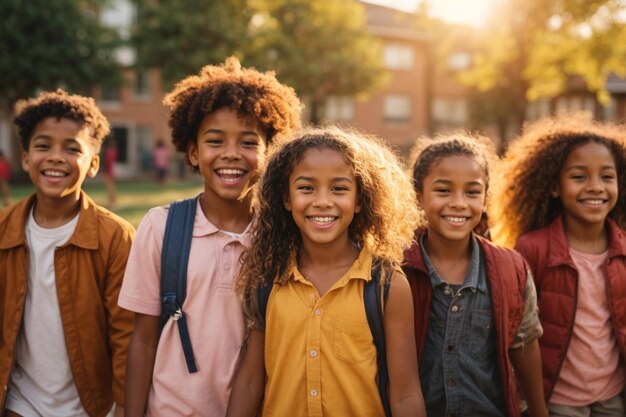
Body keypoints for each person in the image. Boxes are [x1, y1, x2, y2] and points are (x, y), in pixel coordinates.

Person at [118, 57, 302, 417]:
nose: (231, 153)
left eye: (248, 142)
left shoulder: (287, 236)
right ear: (192, 152)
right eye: (215, 140)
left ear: (269, 153)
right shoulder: (160, 227)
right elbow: (141, 339)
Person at [227, 126, 427, 417]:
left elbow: (405, 393)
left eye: (339, 188)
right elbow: (249, 382)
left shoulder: (387, 285)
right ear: (286, 198)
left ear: (360, 200)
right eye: (307, 188)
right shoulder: (267, 281)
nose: (322, 201)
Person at [0, 89, 135, 417]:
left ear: (93, 164)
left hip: (90, 407)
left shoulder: (115, 237)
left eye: (72, 148)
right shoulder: (3, 229)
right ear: (26, 158)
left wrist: (124, 409)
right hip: (18, 403)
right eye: (43, 146)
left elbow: (126, 335)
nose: (56, 157)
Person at [402, 134, 548, 417]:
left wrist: (540, 412)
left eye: (471, 192)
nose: (459, 203)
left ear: (485, 198)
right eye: (443, 191)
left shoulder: (511, 268)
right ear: (418, 195)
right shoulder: (397, 268)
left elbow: (525, 346)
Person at [491, 116, 626, 417]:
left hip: (614, 396)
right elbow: (519, 335)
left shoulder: (624, 249)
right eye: (579, 177)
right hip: (557, 400)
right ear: (554, 186)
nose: (595, 187)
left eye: (607, 177)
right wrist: (536, 407)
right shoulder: (532, 249)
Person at [104, 138, 118, 208]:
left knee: (110, 187)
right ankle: (111, 200)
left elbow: (108, 163)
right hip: (111, 170)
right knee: (111, 187)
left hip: (109, 170)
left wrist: (108, 172)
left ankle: (112, 201)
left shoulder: (109, 152)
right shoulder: (114, 151)